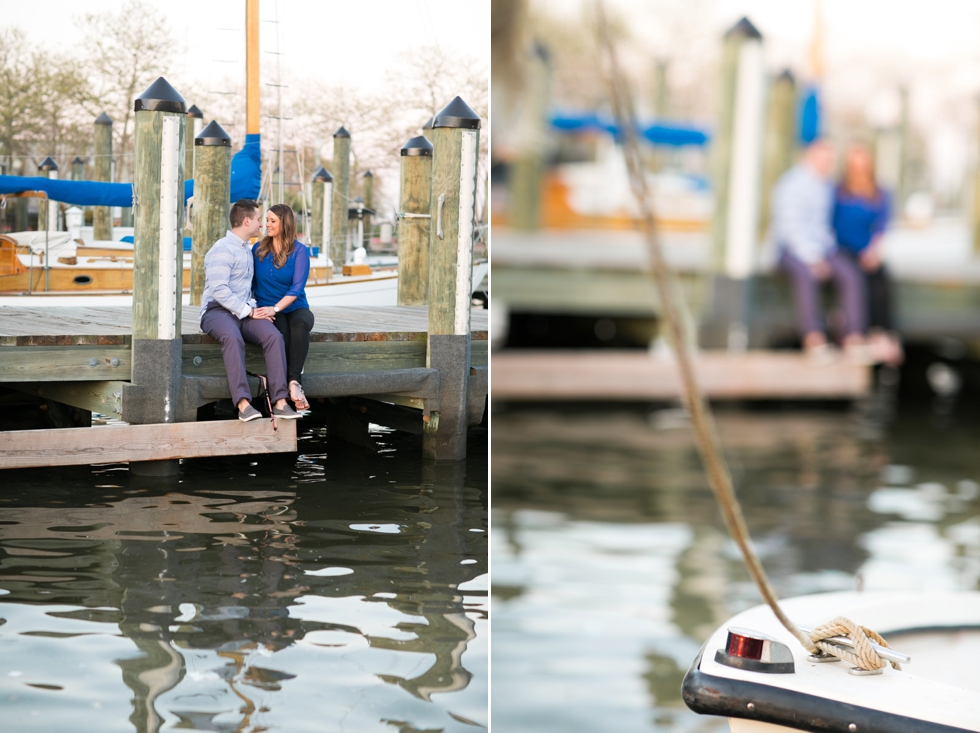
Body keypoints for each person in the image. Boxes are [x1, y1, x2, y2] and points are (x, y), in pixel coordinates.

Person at [199, 199, 301, 422]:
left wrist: (261, 310)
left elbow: (249, 289)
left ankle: (281, 402)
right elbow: (219, 290)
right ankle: (243, 404)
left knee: (274, 336)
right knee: (233, 337)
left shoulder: (248, 250)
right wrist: (250, 311)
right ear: (247, 221)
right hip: (217, 311)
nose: (261, 225)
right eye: (258, 220)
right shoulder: (222, 249)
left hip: (245, 310)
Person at [771, 139, 868, 360]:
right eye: (824, 159)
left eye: (830, 160)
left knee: (850, 274)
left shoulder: (826, 186)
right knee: (806, 276)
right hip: (791, 248)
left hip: (821, 248)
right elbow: (790, 228)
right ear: (810, 157)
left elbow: (824, 229)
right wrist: (813, 258)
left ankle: (853, 338)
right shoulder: (791, 184)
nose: (828, 164)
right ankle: (813, 339)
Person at [833, 142, 903, 365]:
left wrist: (873, 250)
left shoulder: (880, 192)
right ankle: (858, 333)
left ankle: (882, 334)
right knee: (854, 277)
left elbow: (883, 224)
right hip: (843, 248)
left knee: (880, 277)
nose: (859, 169)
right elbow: (832, 225)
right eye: (855, 165)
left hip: (867, 249)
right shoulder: (838, 191)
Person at [252, 203, 314, 411]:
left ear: (284, 223)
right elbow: (249, 283)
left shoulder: (299, 251)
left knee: (300, 325)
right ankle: (287, 390)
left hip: (294, 306)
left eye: (272, 221)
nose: (267, 225)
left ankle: (294, 382)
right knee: (282, 332)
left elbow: (297, 288)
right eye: (266, 220)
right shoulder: (257, 249)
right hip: (267, 307)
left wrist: (275, 308)